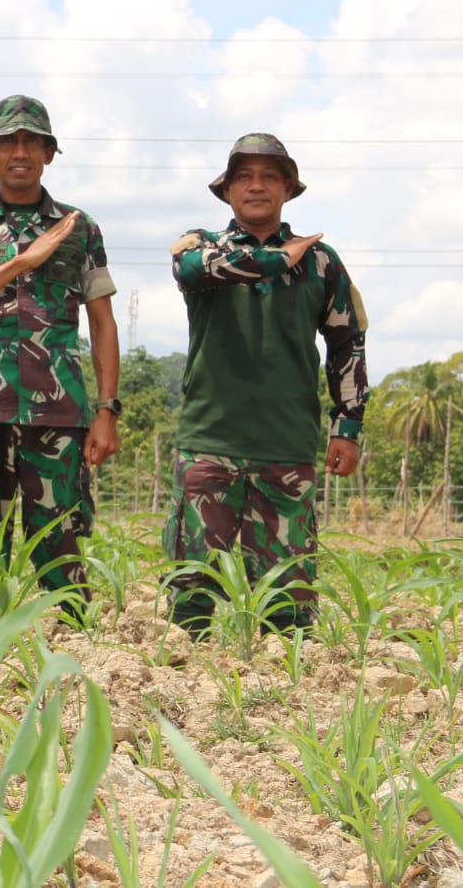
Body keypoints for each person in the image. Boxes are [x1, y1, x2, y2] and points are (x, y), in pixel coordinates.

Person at [0, 94, 119, 619]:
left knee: (63, 549)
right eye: (8, 142)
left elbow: (101, 322)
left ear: (50, 153)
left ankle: (74, 660)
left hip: (58, 413)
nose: (20, 152)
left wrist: (108, 409)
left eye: (32, 141)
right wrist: (19, 263)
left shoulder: (80, 229)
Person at [164, 133, 367, 635]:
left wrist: (348, 424)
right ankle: (184, 696)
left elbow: (348, 343)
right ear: (227, 189)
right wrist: (281, 258)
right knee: (192, 597)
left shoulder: (323, 263)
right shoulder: (201, 246)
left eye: (269, 176)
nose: (257, 186)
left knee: (289, 608)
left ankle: (288, 696)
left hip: (286, 446)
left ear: (288, 188)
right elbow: (195, 271)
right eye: (244, 177)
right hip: (209, 445)